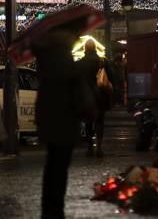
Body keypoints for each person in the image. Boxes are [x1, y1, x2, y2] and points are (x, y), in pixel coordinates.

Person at [32, 23, 87, 219]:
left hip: (48, 119)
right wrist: (87, 110)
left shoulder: (45, 58)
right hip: (65, 119)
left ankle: (49, 209)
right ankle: (55, 210)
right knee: (60, 167)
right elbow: (79, 94)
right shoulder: (65, 61)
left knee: (52, 165)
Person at [78, 40, 115, 158]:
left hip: (86, 95)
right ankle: (99, 147)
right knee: (100, 121)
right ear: (95, 48)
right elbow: (113, 77)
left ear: (85, 49)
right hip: (101, 95)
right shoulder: (102, 61)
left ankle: (90, 148)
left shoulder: (80, 63)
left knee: (88, 122)